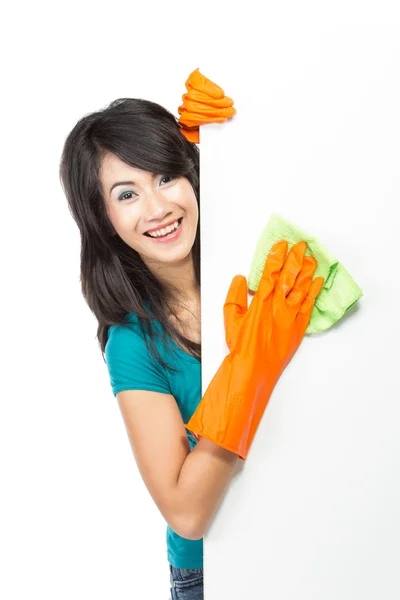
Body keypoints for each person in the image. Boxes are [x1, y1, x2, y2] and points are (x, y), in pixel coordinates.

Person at [59, 74, 323, 600]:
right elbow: (185, 510)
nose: (157, 209)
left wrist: (235, 135)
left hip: (310, 538)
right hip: (218, 569)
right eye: (127, 193)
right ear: (104, 218)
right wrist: (250, 367)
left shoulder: (254, 264)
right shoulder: (132, 343)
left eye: (165, 177)